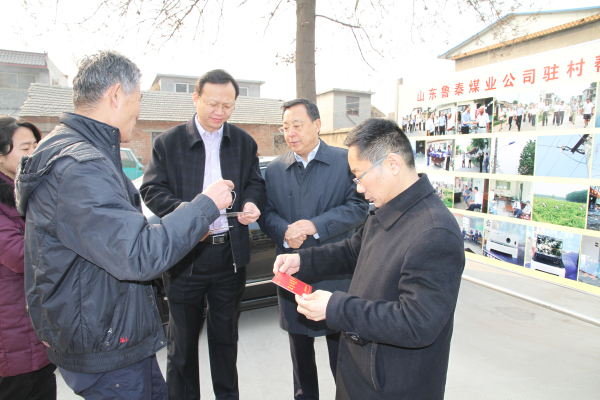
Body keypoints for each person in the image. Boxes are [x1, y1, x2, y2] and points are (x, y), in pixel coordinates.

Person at [14, 51, 235, 400]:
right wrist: (204, 206)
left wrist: (186, 227)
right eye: (139, 99)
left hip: (115, 334)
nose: (139, 110)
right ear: (116, 95)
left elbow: (119, 236)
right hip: (106, 346)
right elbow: (137, 254)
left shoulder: (78, 151)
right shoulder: (80, 167)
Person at [273, 118, 465, 400]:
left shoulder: (435, 232)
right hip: (362, 371)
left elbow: (417, 323)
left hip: (393, 386)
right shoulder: (388, 209)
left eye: (360, 175)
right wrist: (302, 261)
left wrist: (335, 307)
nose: (359, 189)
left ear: (392, 164)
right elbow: (353, 251)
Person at [140, 69, 266, 400]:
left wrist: (251, 202)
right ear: (195, 98)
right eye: (213, 104)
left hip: (230, 255)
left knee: (226, 340)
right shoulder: (168, 143)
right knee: (181, 346)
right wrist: (193, 216)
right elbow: (152, 190)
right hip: (186, 256)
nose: (220, 112)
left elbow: (255, 182)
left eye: (228, 105)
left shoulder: (243, 142)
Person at [259, 99, 369, 400]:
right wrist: (284, 232)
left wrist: (315, 225)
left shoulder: (344, 161)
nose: (290, 133)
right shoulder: (276, 169)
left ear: (317, 125)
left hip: (335, 272)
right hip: (293, 275)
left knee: (342, 354)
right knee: (300, 356)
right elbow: (267, 213)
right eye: (285, 128)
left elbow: (358, 207)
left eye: (297, 125)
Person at [0, 117, 56, 399]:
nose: (34, 153)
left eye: (36, 145)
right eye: (25, 148)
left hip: (35, 320)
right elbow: (20, 254)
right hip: (10, 326)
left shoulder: (26, 189)